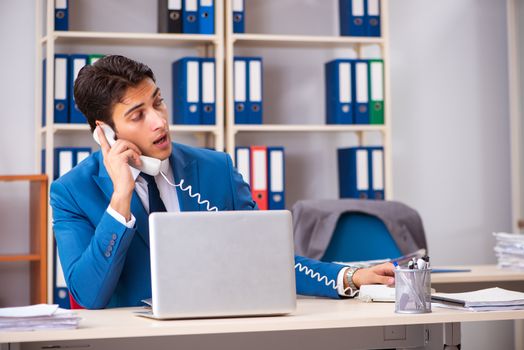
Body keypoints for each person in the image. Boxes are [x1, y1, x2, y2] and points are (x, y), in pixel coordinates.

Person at [50, 55, 395, 309]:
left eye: (158, 102)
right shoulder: (71, 193)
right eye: (138, 115)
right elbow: (89, 294)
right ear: (105, 132)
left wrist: (347, 277)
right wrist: (120, 199)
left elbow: (267, 256)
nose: (159, 122)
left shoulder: (216, 168)